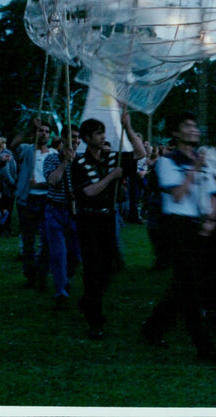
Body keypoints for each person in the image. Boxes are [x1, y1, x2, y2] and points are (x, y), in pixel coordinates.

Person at [141, 111, 216, 362]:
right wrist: (193, 170)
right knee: (189, 288)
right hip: (175, 227)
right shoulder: (167, 162)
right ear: (176, 133)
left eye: (194, 125)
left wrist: (211, 219)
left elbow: (212, 193)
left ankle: (152, 328)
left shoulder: (202, 160)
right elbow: (176, 194)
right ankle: (204, 347)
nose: (193, 130)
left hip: (197, 226)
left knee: (184, 284)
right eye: (187, 126)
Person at [70, 111, 145, 340]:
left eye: (103, 132)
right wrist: (112, 177)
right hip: (88, 219)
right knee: (93, 269)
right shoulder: (79, 163)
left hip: (107, 219)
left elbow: (142, 153)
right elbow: (88, 192)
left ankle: (88, 300)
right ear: (86, 138)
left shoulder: (113, 157)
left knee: (108, 268)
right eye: (97, 133)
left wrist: (128, 127)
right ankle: (95, 321)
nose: (102, 136)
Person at [42, 124, 83, 308]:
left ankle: (65, 278)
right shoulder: (52, 158)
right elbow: (51, 181)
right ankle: (60, 291)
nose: (75, 140)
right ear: (63, 137)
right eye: (72, 136)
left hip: (74, 212)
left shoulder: (82, 160)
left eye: (78, 137)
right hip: (55, 211)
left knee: (75, 254)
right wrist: (65, 161)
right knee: (59, 253)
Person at [11, 118, 53, 290]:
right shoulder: (27, 150)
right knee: (28, 241)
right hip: (27, 200)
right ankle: (30, 275)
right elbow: (13, 144)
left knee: (47, 240)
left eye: (46, 131)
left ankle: (42, 273)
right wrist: (29, 129)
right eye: (40, 130)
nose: (44, 134)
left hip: (47, 200)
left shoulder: (53, 154)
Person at [0, 136, 17, 235]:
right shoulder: (5, 155)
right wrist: (13, 182)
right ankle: (4, 227)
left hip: (8, 185)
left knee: (6, 207)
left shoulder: (6, 153)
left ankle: (4, 226)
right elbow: (5, 172)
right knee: (6, 207)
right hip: (6, 186)